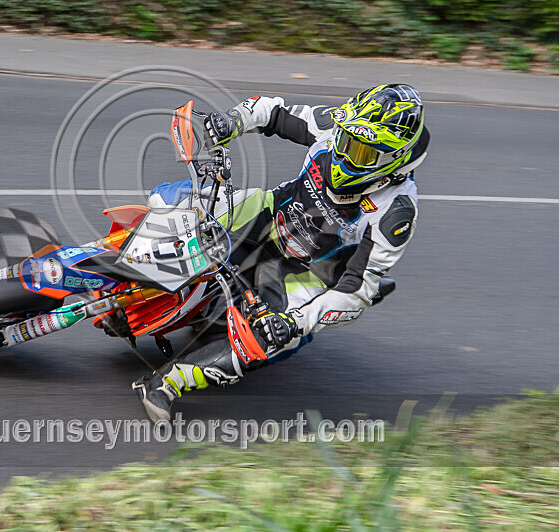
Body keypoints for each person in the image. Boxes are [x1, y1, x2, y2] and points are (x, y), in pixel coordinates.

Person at [132, 84, 429, 422]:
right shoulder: (333, 124)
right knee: (167, 200)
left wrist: (296, 322)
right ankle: (111, 265)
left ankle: (168, 382)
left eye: (360, 152)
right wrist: (232, 122)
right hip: (267, 215)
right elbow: (272, 111)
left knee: (272, 340)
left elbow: (358, 289)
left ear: (392, 159)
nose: (344, 154)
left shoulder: (397, 211)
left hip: (304, 273)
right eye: (346, 140)